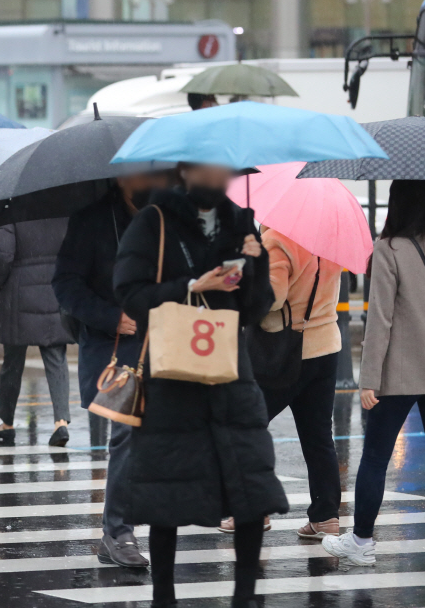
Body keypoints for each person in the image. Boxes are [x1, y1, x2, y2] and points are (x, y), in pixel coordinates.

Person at [113, 163, 288, 607]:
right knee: (164, 491)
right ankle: (164, 597)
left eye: (225, 170)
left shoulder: (241, 220)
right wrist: (191, 285)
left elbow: (254, 308)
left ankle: (245, 595)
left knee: (250, 485)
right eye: (210, 168)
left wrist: (255, 261)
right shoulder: (153, 222)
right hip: (173, 375)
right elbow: (130, 293)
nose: (219, 178)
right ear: (188, 170)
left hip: (231, 370)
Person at [323, 179, 425, 576]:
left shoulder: (389, 248)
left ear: (398, 203)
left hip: (398, 373)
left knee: (374, 458)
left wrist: (367, 378)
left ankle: (361, 543)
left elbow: (381, 321)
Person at [52, 172, 168, 568]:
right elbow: (65, 284)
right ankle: (118, 531)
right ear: (120, 177)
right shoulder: (92, 219)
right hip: (113, 348)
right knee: (127, 436)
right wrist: (110, 316)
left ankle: (123, 527)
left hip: (165, 343)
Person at [220, 228, 344, 538]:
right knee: (318, 435)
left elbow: (272, 299)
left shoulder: (278, 239)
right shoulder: (329, 238)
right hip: (326, 347)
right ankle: (326, 515)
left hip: (283, 351)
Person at [0, 217, 73, 446]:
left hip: (18, 295)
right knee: (56, 358)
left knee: (12, 363)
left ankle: (6, 423)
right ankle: (61, 422)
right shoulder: (62, 211)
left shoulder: (14, 211)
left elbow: (3, 254)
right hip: (55, 290)